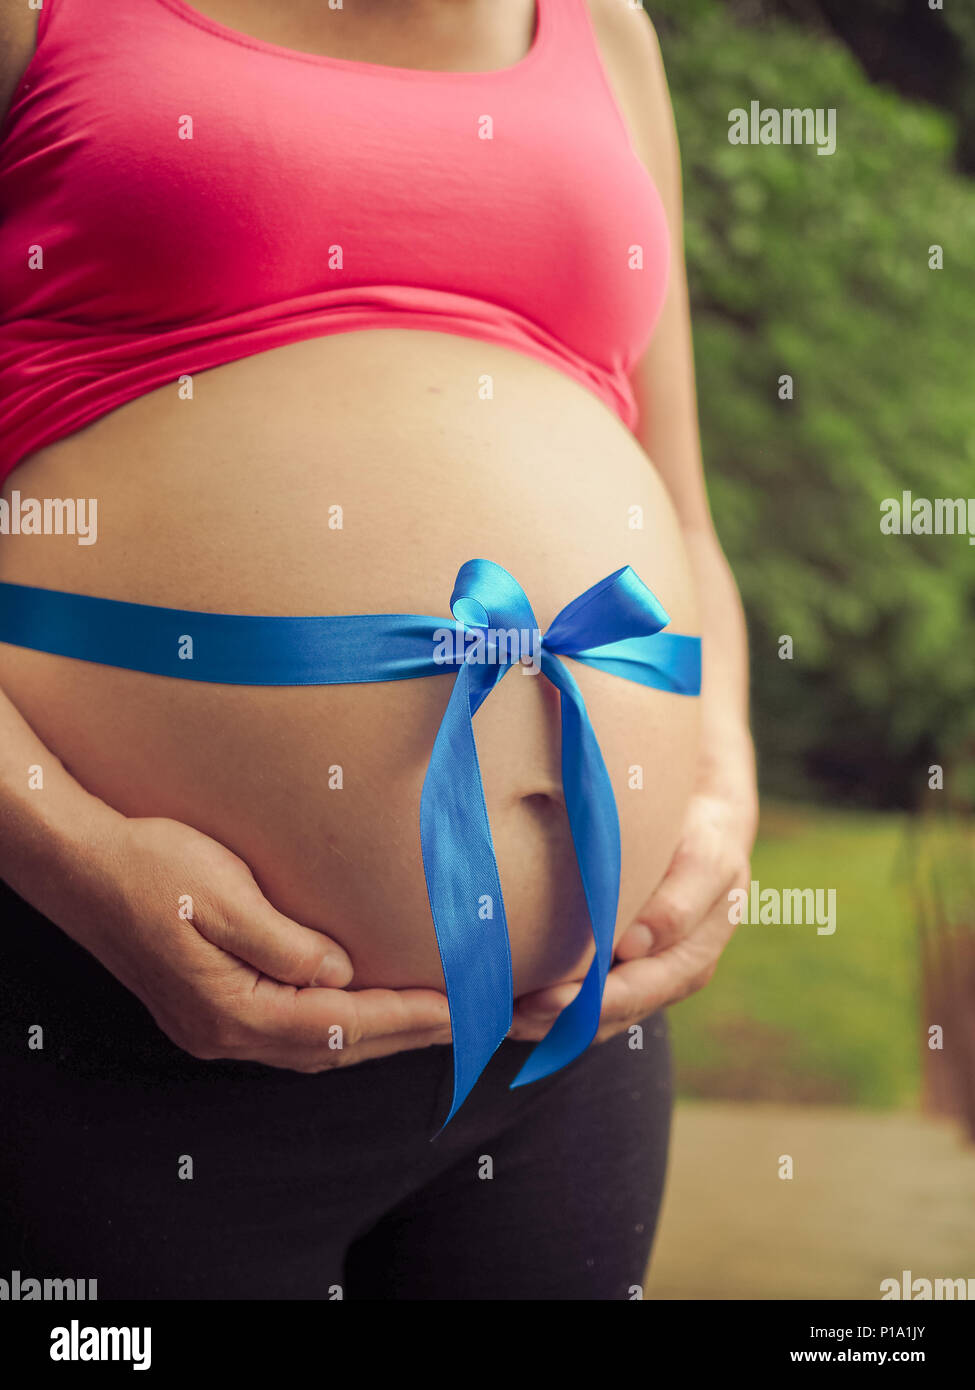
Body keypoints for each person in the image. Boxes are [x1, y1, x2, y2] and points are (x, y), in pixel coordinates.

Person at [0, 0, 758, 1300]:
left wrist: (720, 797)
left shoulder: (606, 34)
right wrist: (74, 855)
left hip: (563, 1046)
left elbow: (683, 506)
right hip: (102, 998)